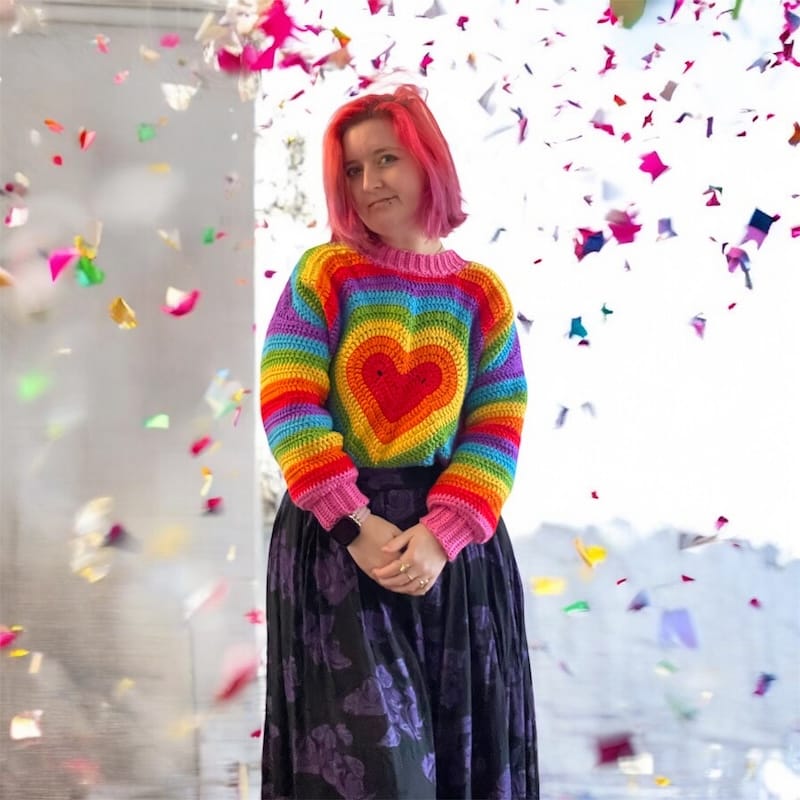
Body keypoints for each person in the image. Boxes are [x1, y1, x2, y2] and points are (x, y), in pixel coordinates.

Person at [260, 83, 538, 799]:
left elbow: (496, 427)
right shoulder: (326, 273)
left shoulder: (483, 295)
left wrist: (443, 536)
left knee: (460, 775)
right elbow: (288, 399)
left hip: (455, 561)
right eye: (353, 169)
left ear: (428, 163)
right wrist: (353, 523)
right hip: (338, 548)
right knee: (374, 775)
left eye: (386, 158)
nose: (370, 181)